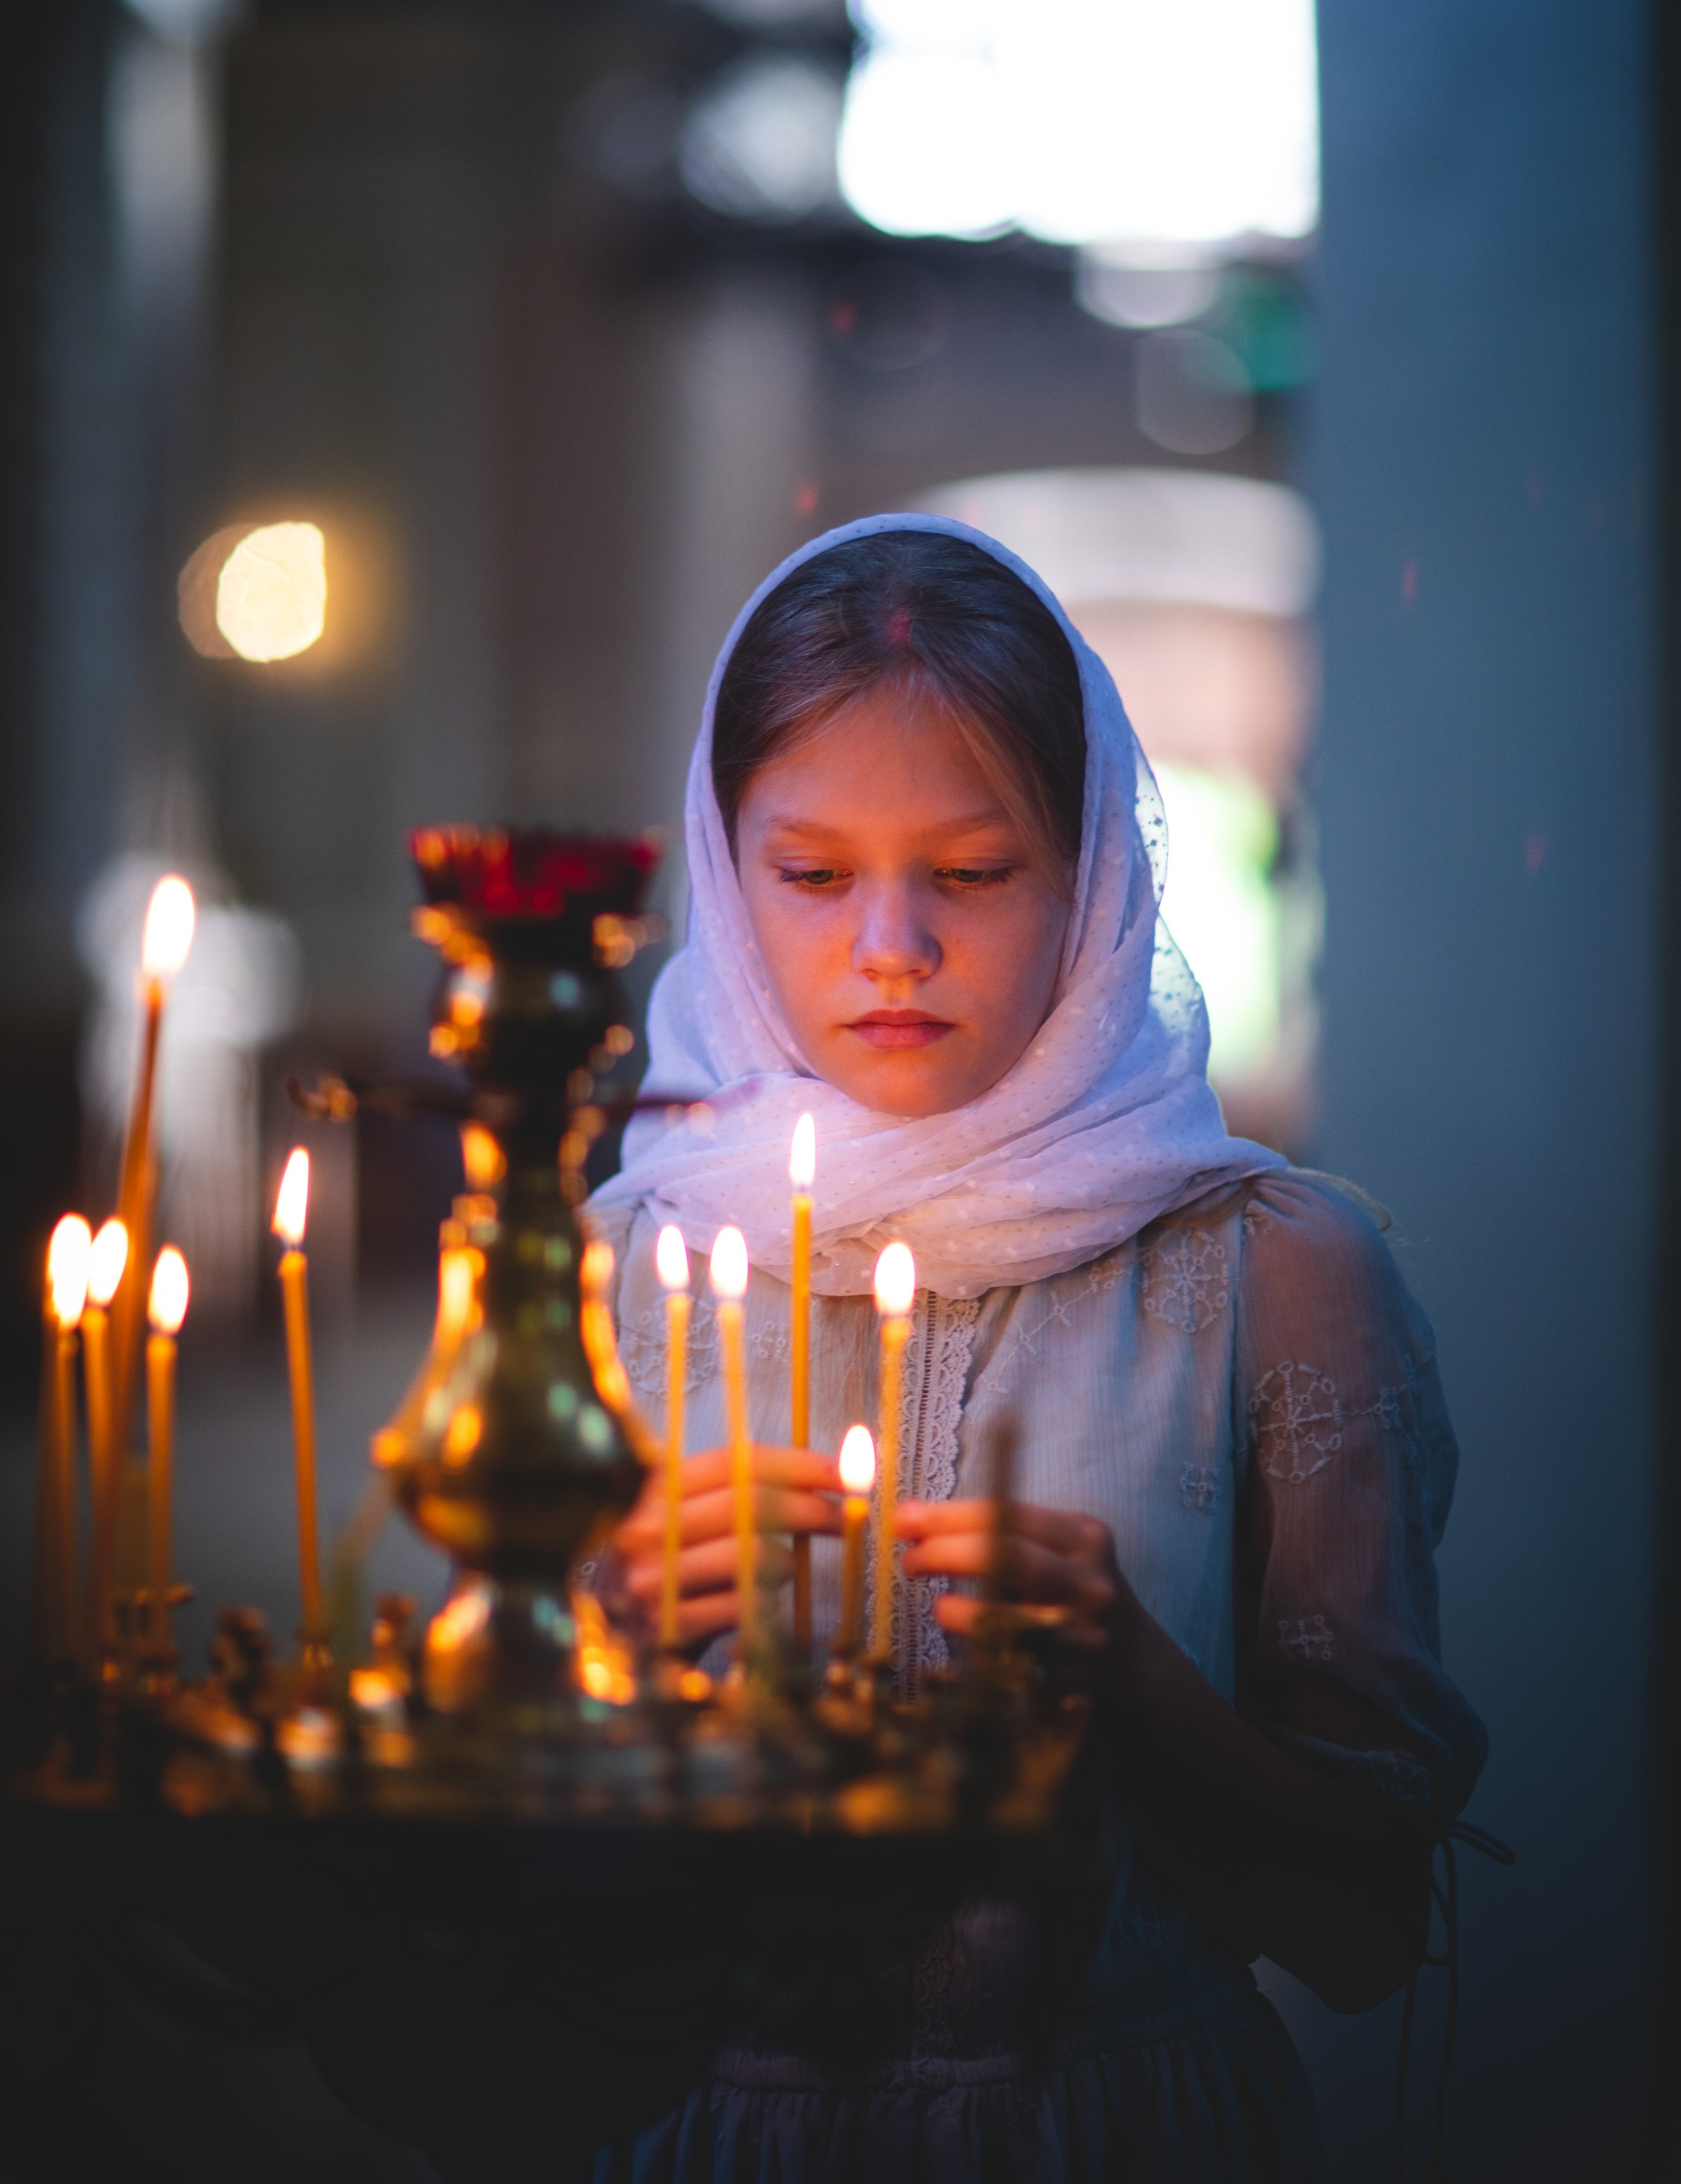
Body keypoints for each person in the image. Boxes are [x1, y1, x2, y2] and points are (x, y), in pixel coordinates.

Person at [588, 516, 1486, 2181]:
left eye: (974, 871)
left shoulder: (1266, 1273)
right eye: (810, 873)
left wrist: (1135, 1685)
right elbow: (483, 1917)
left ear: (1091, 874)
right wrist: (593, 1653)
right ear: (721, 871)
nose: (889, 948)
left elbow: (1362, 1932)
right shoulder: (616, 1282)